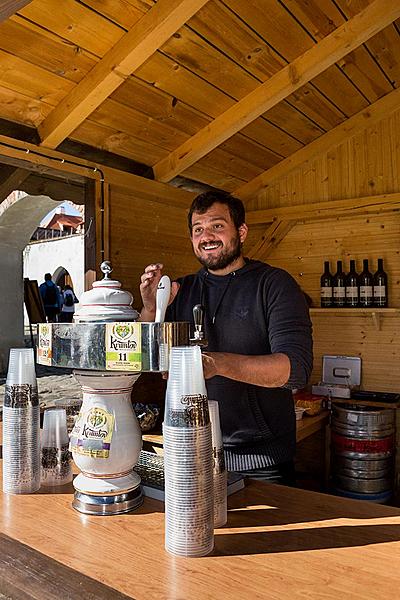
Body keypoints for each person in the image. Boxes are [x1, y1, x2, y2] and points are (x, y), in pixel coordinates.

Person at [139, 190, 313, 485]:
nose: (207, 236)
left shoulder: (273, 285)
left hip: (260, 461)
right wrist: (150, 308)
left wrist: (216, 364)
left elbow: (295, 370)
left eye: (217, 226)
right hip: (190, 451)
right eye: (198, 230)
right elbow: (146, 359)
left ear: (241, 232)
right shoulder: (182, 290)